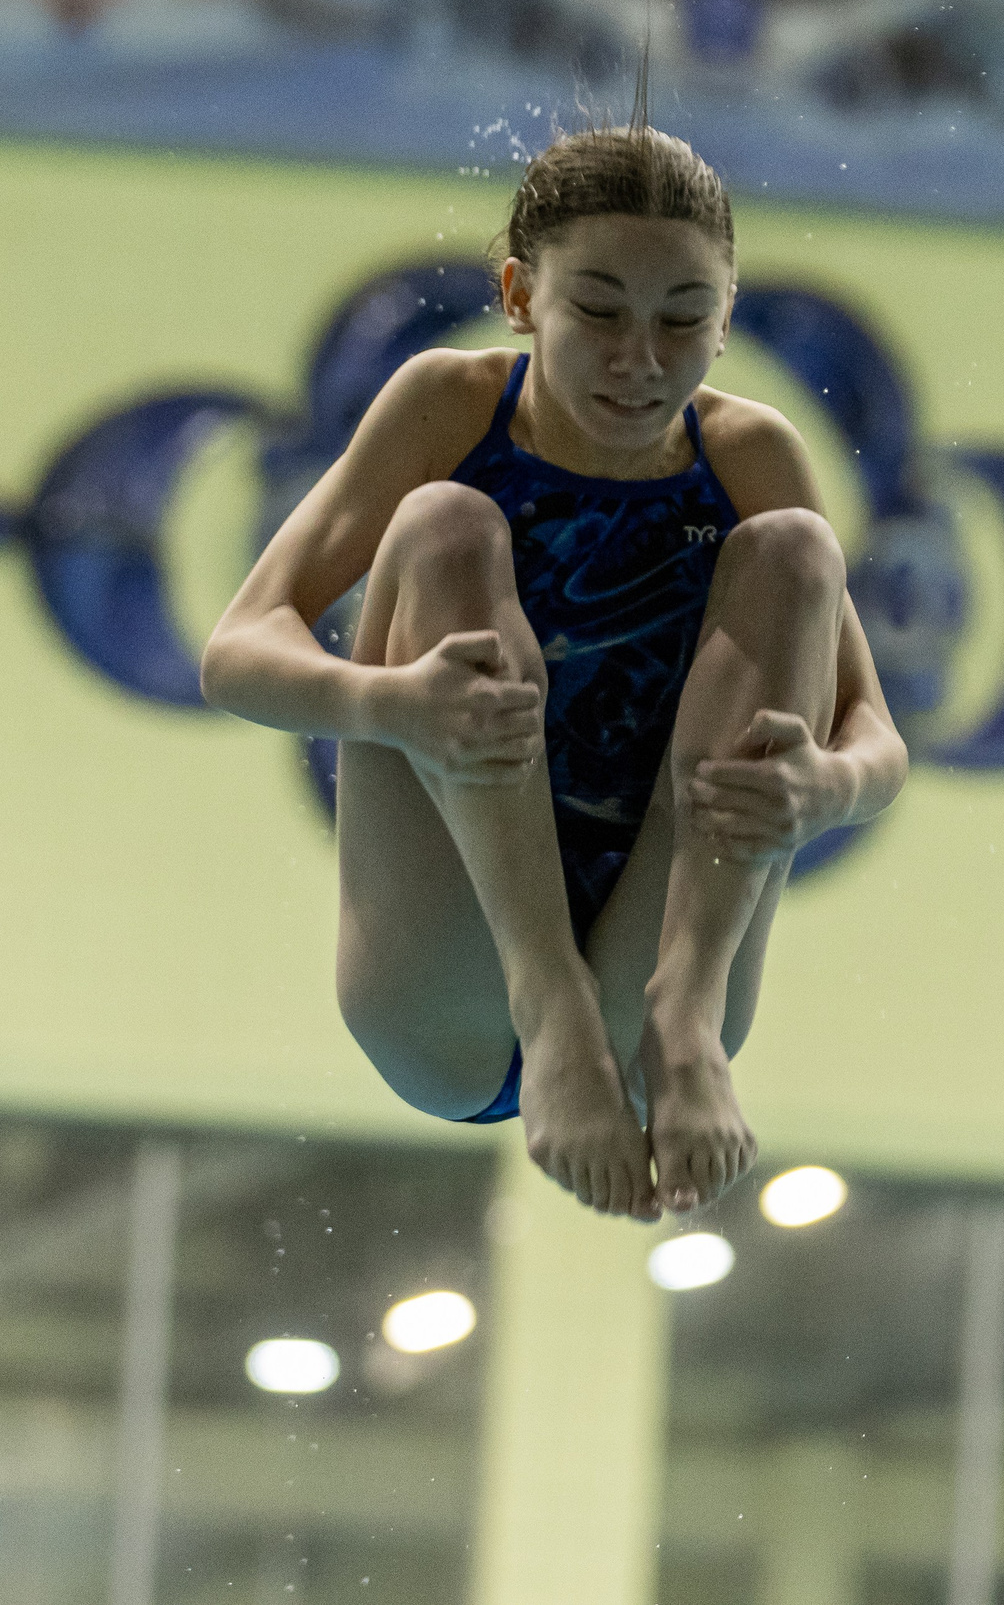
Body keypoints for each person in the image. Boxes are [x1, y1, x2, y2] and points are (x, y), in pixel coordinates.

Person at [201, 122, 908, 1221]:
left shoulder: (750, 454)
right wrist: (391, 703)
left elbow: (877, 741)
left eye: (683, 319)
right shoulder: (448, 405)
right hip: (454, 979)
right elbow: (238, 652)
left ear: (726, 319)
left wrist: (827, 787)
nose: (641, 358)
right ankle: (552, 1006)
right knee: (442, 524)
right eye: (600, 312)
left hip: (655, 970)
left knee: (796, 551)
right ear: (521, 295)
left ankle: (682, 1018)